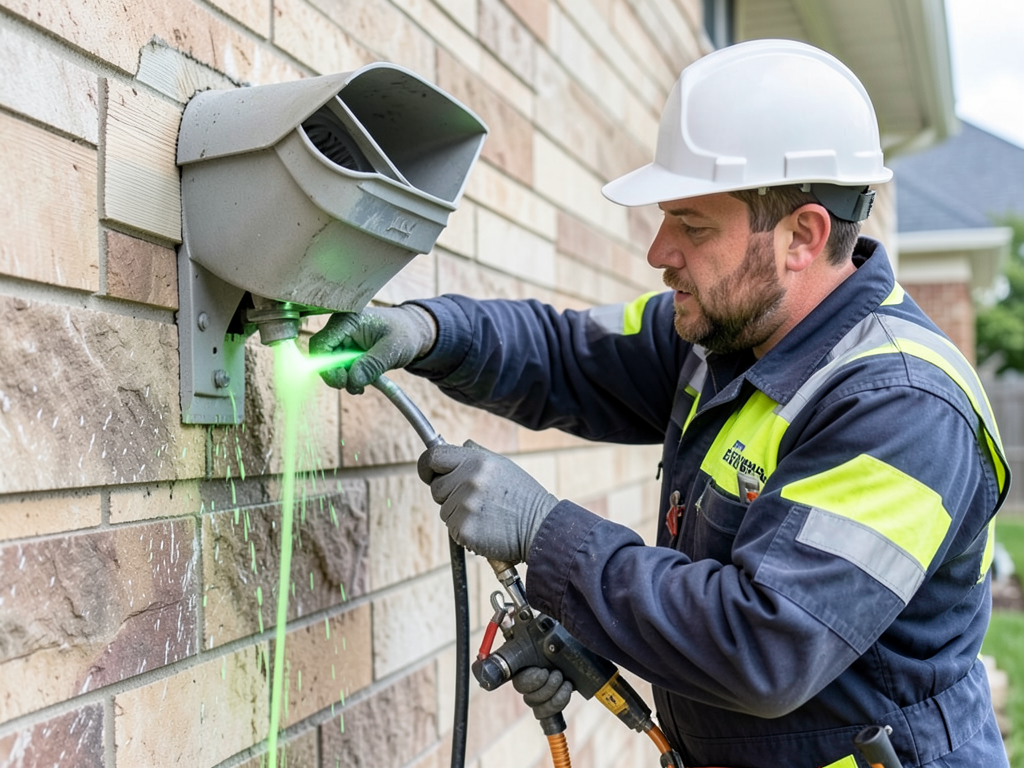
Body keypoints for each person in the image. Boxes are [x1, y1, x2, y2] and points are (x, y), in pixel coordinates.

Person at [310, 39, 1010, 768]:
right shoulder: (723, 333)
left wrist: (545, 535)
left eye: (692, 224)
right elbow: (565, 355)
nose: (658, 248)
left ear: (803, 234)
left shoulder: (902, 407)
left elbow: (764, 645)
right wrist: (426, 331)